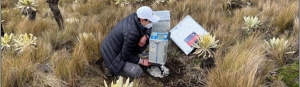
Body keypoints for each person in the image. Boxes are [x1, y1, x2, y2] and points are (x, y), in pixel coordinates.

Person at [100, 6, 160, 78]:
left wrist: (146, 36)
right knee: (138, 72)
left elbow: (151, 27)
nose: (151, 23)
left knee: (136, 55)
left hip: (114, 48)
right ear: (142, 20)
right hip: (113, 57)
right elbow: (125, 55)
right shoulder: (132, 32)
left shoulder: (136, 17)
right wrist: (142, 61)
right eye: (150, 21)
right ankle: (107, 66)